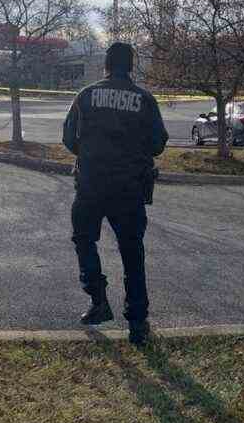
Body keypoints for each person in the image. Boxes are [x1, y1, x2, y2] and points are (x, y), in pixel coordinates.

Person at [63, 42, 168, 345]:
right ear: (131, 66)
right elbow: (158, 143)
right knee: (132, 252)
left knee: (84, 240)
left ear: (106, 66)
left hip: (91, 185)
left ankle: (98, 300)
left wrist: (93, 155)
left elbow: (68, 138)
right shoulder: (145, 99)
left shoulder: (85, 96)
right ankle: (137, 323)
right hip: (130, 189)